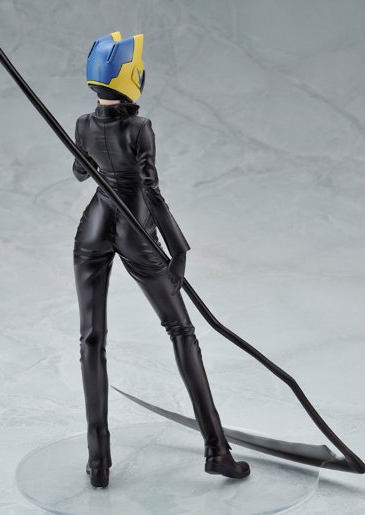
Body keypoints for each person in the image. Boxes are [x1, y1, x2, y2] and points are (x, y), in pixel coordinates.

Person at [72, 31, 250, 488]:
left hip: (94, 225)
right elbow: (151, 190)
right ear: (133, 78)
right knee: (181, 330)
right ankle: (217, 451)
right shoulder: (139, 127)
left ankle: (98, 463)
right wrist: (179, 249)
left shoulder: (83, 124)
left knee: (91, 338)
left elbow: (79, 172)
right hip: (135, 228)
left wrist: (87, 156)